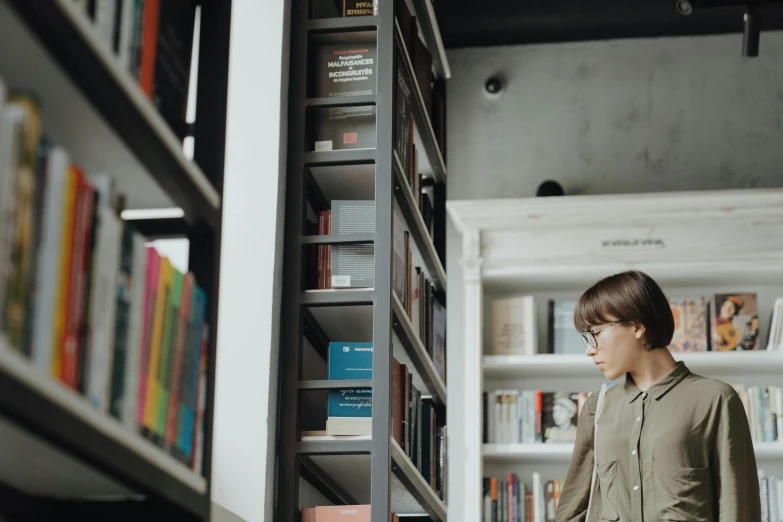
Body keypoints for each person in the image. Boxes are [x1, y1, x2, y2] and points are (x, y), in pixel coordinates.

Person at [555, 270, 760, 522]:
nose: (589, 350)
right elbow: (572, 509)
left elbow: (738, 508)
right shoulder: (596, 407)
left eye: (594, 333)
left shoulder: (716, 400)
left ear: (637, 326)